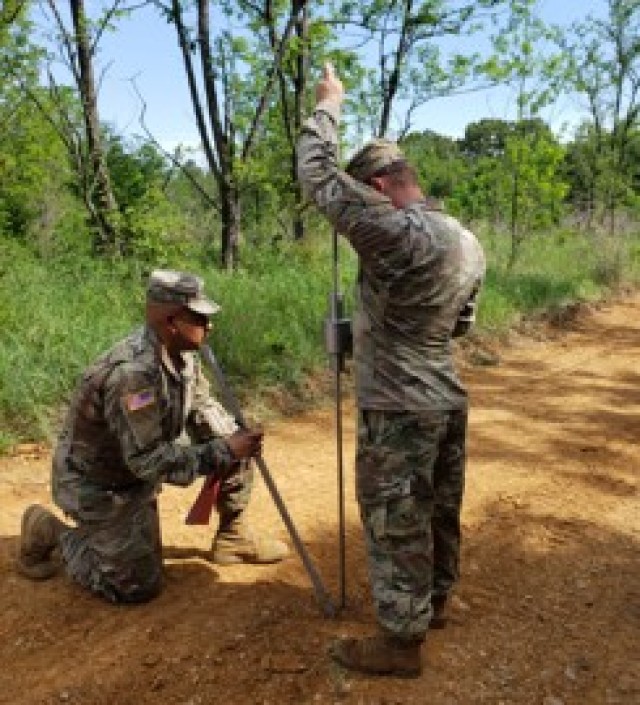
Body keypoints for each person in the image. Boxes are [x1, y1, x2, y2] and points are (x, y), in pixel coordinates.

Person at [297, 64, 486, 677]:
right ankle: (431, 604)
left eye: (365, 195)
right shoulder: (463, 238)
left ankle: (400, 645)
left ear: (379, 186)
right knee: (434, 507)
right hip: (445, 396)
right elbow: (458, 324)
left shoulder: (396, 229)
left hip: (398, 405)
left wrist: (329, 105)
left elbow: (317, 176)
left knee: (394, 516)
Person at [16, 269, 288, 604]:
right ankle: (52, 532)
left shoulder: (183, 355)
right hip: (101, 486)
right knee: (135, 586)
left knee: (232, 436)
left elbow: (202, 409)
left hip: (135, 473)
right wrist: (222, 451)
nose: (210, 326)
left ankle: (233, 536)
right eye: (200, 318)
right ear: (172, 322)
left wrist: (233, 439)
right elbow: (148, 462)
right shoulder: (133, 377)